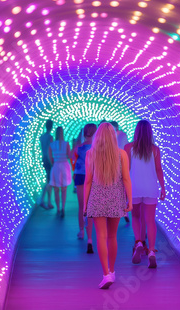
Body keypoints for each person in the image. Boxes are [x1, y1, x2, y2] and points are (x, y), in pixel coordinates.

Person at [84, 123, 132, 289]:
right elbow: (126, 179)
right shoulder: (121, 154)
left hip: (97, 199)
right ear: (113, 136)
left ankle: (105, 274)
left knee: (101, 237)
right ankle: (112, 271)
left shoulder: (91, 154)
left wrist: (85, 204)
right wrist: (130, 200)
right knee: (112, 236)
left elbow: (88, 181)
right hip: (116, 199)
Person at [124, 120, 165, 268]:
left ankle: (139, 242)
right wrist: (163, 188)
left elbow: (126, 170)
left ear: (136, 132)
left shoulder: (128, 147)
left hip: (134, 187)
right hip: (150, 188)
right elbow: (159, 169)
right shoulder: (155, 149)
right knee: (150, 220)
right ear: (150, 132)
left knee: (135, 216)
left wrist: (123, 188)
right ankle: (152, 251)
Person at [71, 123, 97, 253]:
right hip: (94, 177)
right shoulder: (97, 147)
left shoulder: (78, 146)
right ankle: (91, 238)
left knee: (82, 206)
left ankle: (81, 231)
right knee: (92, 207)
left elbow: (72, 158)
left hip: (80, 176)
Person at [48, 126, 72, 217]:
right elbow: (69, 156)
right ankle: (63, 208)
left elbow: (50, 157)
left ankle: (58, 208)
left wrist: (54, 163)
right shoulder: (66, 144)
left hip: (56, 166)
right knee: (64, 189)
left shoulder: (52, 144)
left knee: (56, 189)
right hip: (65, 166)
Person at [110, 121, 130, 223]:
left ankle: (115, 210)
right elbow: (126, 148)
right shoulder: (123, 135)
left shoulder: (109, 135)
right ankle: (123, 210)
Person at [39, 120, 54, 209]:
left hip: (43, 158)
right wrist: (52, 162)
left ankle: (47, 201)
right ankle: (44, 201)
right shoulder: (50, 137)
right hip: (48, 159)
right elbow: (50, 150)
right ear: (51, 127)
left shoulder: (42, 137)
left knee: (48, 180)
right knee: (49, 181)